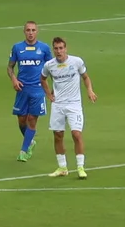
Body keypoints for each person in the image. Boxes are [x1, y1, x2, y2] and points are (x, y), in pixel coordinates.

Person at [40, 37, 97, 180]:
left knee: (76, 134)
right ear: (53, 50)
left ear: (66, 49)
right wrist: (48, 94)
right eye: (56, 48)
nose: (59, 51)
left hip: (74, 104)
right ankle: (62, 167)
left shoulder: (76, 61)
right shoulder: (49, 65)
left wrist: (90, 90)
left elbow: (85, 77)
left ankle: (80, 167)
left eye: (61, 48)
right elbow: (42, 79)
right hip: (58, 105)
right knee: (58, 135)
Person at [7, 21, 54, 162]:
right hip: (22, 89)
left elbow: (52, 68)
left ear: (37, 31)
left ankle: (23, 151)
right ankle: (31, 141)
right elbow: (10, 67)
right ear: (24, 32)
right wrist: (14, 79)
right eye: (28, 30)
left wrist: (53, 88)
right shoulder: (17, 48)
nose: (31, 32)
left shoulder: (44, 48)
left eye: (33, 30)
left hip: (38, 90)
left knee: (32, 120)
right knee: (21, 120)